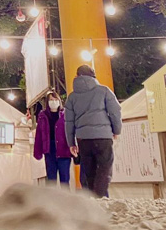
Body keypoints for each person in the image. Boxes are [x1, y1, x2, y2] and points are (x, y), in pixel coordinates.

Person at [65, 64, 122, 198]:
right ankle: (101, 198)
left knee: (89, 172)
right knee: (104, 169)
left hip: (83, 140)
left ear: (77, 76)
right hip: (103, 137)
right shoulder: (104, 91)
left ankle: (92, 200)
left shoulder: (72, 97)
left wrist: (71, 143)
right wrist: (116, 130)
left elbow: (68, 122)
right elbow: (115, 112)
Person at [33, 90, 73, 186]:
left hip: (64, 150)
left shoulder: (65, 115)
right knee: (51, 179)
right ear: (47, 102)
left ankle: (65, 199)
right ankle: (51, 200)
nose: (54, 101)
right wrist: (37, 152)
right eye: (51, 99)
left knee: (65, 179)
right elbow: (39, 134)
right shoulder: (43, 116)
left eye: (55, 99)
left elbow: (71, 131)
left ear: (59, 101)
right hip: (49, 150)